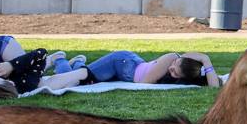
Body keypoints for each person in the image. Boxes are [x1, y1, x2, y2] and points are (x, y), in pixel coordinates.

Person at [48, 50, 221, 89]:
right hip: (122, 63)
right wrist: (203, 56)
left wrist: (206, 62)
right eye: (174, 65)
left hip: (127, 70)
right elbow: (145, 83)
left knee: (82, 78)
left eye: (175, 72)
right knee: (76, 81)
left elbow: (213, 87)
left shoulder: (189, 77)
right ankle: (60, 59)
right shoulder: (171, 58)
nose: (171, 68)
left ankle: (78, 63)